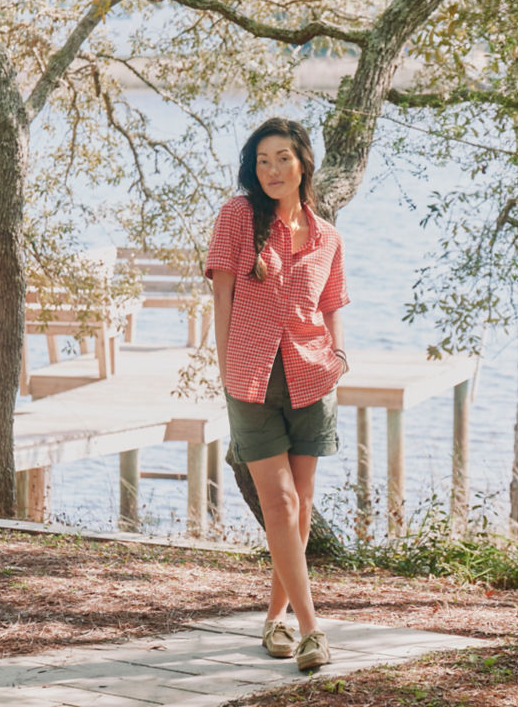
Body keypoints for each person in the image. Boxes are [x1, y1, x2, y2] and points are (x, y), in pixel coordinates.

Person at [204, 117, 350, 671]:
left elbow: (333, 303)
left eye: (282, 158)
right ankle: (312, 628)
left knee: (302, 502)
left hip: (313, 376)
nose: (272, 170)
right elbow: (222, 297)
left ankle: (275, 618)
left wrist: (338, 358)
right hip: (251, 377)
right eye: (262, 160)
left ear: (303, 162)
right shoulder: (238, 218)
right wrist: (226, 367)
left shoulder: (328, 235)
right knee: (280, 502)